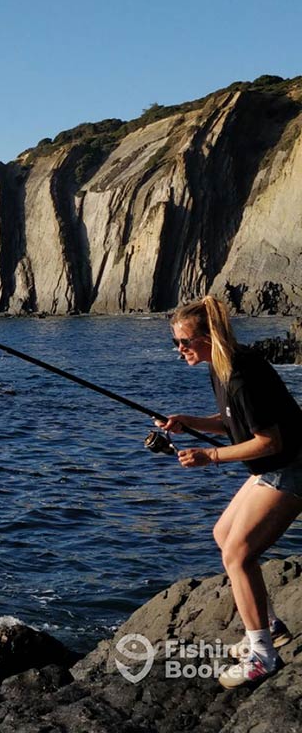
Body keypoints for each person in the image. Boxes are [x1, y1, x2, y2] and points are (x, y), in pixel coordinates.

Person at [156, 295, 302, 688]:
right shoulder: (222, 367)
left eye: (185, 342)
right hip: (275, 465)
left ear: (209, 337)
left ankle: (263, 656)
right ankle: (270, 625)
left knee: (238, 553)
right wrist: (190, 422)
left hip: (289, 467)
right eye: (176, 343)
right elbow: (232, 420)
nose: (180, 350)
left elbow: (267, 440)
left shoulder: (240, 373)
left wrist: (210, 456)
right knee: (223, 535)